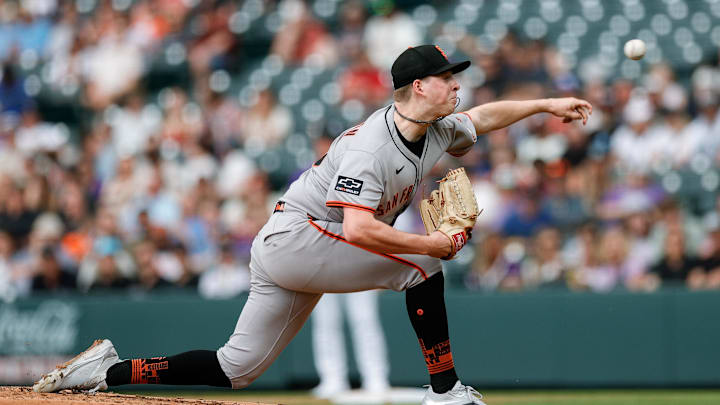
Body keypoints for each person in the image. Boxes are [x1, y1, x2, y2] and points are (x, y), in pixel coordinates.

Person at [33, 45, 591, 405]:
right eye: (449, 79)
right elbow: (357, 232)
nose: (457, 87)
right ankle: (445, 391)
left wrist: (547, 104)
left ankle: (107, 371)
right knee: (421, 266)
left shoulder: (438, 129)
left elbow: (484, 118)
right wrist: (431, 243)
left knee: (237, 368)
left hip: (298, 247)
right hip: (300, 235)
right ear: (419, 87)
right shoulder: (372, 147)